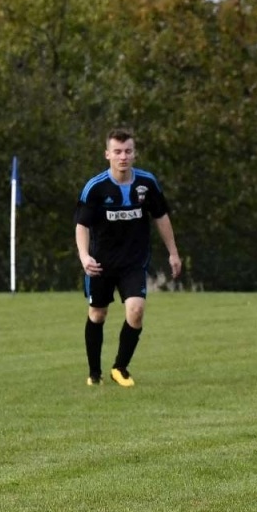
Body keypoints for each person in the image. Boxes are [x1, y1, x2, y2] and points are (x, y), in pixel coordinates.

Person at [75, 129, 182, 387]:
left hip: (133, 263)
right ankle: (94, 373)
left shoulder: (147, 183)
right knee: (97, 315)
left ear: (134, 153)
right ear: (107, 154)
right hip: (100, 264)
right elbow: (81, 225)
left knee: (136, 311)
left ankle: (120, 368)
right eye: (118, 152)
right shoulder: (95, 187)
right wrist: (84, 256)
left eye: (128, 151)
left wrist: (173, 253)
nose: (123, 156)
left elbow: (161, 217)